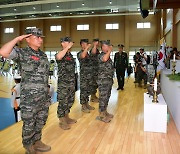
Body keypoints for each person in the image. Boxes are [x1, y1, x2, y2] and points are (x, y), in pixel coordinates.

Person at [0, 28, 51, 153]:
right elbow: (3, 52)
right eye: (37, 37)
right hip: (29, 98)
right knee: (29, 123)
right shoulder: (22, 53)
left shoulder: (43, 55)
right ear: (27, 39)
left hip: (43, 96)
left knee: (41, 120)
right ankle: (28, 145)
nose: (40, 39)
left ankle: (37, 141)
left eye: (41, 37)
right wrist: (17, 39)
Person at [56, 37, 77, 130]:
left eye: (70, 42)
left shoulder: (70, 55)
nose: (70, 44)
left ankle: (66, 117)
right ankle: (62, 120)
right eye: (67, 42)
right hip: (63, 83)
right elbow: (58, 57)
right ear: (62, 43)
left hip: (71, 82)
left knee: (70, 100)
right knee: (63, 101)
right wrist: (66, 48)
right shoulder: (60, 53)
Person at [97, 40, 114, 123]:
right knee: (103, 97)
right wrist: (110, 51)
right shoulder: (101, 55)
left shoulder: (108, 55)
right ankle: (101, 115)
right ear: (103, 47)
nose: (109, 47)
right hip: (102, 81)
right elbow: (104, 59)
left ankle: (105, 111)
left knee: (107, 97)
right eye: (108, 46)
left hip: (108, 80)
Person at [77, 39, 95, 113]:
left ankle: (86, 103)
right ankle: (83, 105)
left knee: (88, 91)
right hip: (84, 76)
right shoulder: (80, 53)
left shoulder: (88, 54)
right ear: (82, 44)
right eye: (85, 44)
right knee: (83, 91)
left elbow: (93, 53)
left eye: (87, 43)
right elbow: (82, 56)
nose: (87, 45)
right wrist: (87, 48)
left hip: (89, 76)